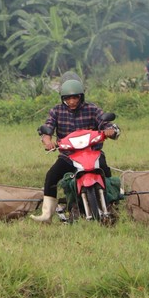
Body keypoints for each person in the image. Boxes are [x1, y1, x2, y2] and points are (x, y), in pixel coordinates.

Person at [31, 78, 118, 223]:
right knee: (51, 176)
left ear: (81, 97)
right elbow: (48, 130)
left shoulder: (92, 109)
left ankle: (112, 203)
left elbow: (106, 124)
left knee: (106, 172)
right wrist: (48, 142)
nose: (72, 101)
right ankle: (47, 214)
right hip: (68, 156)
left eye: (75, 97)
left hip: (92, 153)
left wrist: (109, 131)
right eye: (68, 98)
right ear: (63, 99)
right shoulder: (56, 111)